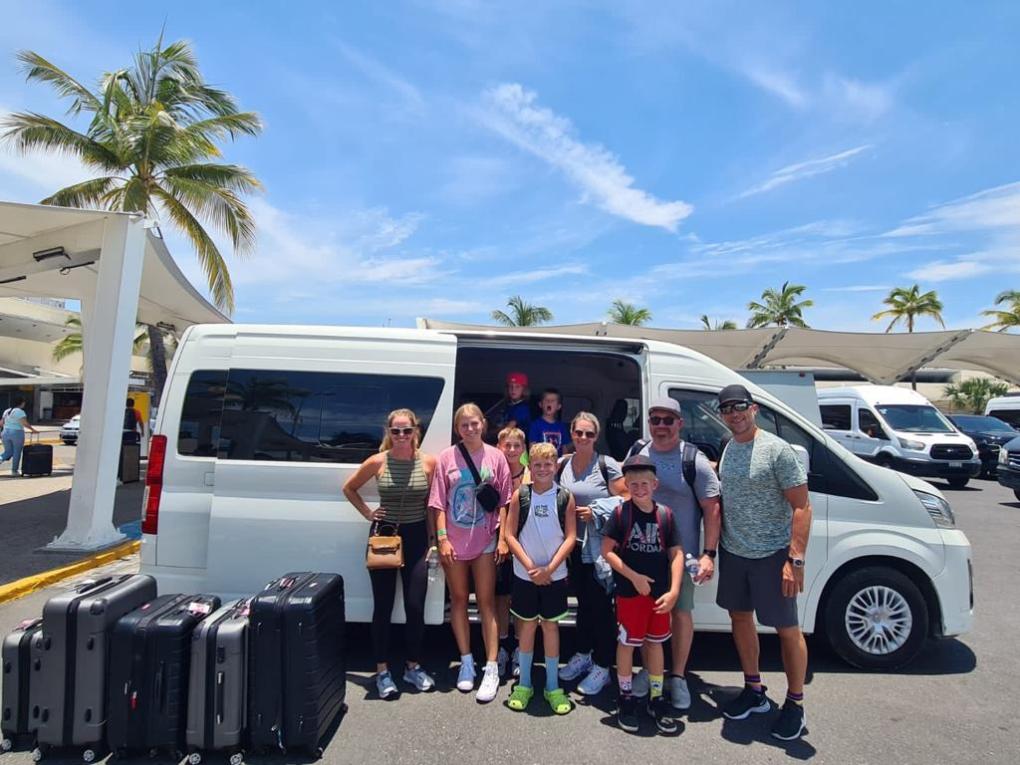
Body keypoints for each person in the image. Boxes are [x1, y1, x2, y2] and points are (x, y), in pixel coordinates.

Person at [715, 384, 812, 741]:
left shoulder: (776, 450)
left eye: (740, 406)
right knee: (740, 618)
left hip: (773, 556)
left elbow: (802, 507)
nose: (734, 414)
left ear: (753, 408)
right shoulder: (728, 447)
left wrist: (795, 559)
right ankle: (754, 689)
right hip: (734, 552)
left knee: (787, 629)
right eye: (727, 409)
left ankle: (795, 704)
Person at [626, 396, 721, 710]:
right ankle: (648, 670)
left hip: (681, 557)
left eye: (668, 420)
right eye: (656, 420)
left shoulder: (694, 460)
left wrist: (708, 554)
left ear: (680, 423)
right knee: (645, 613)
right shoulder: (639, 451)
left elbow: (712, 508)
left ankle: (678, 676)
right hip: (642, 553)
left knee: (680, 614)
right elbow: (623, 490)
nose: (661, 426)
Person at [343, 409, 438, 699]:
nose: (401, 436)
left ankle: (413, 666)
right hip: (384, 536)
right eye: (396, 431)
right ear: (388, 432)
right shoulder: (378, 461)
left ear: (415, 431)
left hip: (417, 537)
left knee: (415, 606)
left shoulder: (429, 463)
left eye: (406, 430)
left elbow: (433, 505)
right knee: (382, 606)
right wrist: (368, 513)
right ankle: (382, 671)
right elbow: (350, 488)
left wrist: (433, 540)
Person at [429, 403, 512, 703]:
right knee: (460, 600)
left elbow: (505, 501)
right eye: (464, 425)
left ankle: (491, 667)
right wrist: (442, 539)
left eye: (474, 423)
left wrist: (503, 538)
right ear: (457, 429)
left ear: (483, 424)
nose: (470, 429)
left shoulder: (496, 456)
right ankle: (466, 661)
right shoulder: (446, 458)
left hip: (485, 539)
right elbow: (438, 503)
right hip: (454, 540)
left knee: (487, 602)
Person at [602, 455, 683, 735]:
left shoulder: (666, 515)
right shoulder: (620, 514)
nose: (639, 489)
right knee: (627, 644)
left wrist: (674, 590)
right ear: (626, 485)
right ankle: (625, 697)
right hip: (629, 594)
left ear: (655, 484)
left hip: (659, 595)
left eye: (644, 484)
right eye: (633, 484)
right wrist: (633, 577)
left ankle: (656, 697)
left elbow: (676, 554)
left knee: (655, 644)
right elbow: (607, 551)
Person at [556, 412, 627, 696]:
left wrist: (596, 511)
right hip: (573, 547)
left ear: (596, 436)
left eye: (589, 433)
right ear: (571, 434)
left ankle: (603, 665)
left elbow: (627, 498)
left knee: (601, 608)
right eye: (578, 432)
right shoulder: (563, 464)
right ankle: (584, 654)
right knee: (584, 605)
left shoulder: (606, 465)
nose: (583, 437)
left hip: (598, 549)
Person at [503, 442, 577, 714]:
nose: (543, 469)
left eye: (548, 464)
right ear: (530, 467)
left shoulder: (565, 497)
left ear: (556, 466)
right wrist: (531, 567)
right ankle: (524, 683)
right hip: (525, 575)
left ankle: (552, 686)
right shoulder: (520, 495)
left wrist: (549, 569)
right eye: (537, 465)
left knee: (550, 627)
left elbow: (570, 537)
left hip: (555, 576)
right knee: (527, 626)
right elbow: (509, 535)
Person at [495, 426, 530, 677]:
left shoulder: (531, 474)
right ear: (499, 447)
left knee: (520, 597)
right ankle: (501, 647)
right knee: (500, 595)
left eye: (517, 445)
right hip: (500, 542)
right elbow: (500, 508)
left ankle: (519, 647)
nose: (512, 450)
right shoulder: (495, 474)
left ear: (524, 449)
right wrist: (502, 540)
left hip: (525, 544)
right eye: (507, 445)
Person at [528, 388, 572, 455]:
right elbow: (532, 447)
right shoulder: (535, 425)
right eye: (546, 400)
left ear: (558, 406)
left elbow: (564, 448)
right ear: (540, 404)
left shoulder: (562, 427)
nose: (549, 402)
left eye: (553, 401)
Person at [1, 398, 38, 476]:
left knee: (8, 452)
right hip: (16, 432)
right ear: (21, 403)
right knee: (16, 452)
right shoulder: (20, 412)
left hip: (5, 432)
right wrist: (32, 429)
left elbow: (1, 423)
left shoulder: (7, 411)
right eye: (24, 403)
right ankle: (14, 471)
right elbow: (24, 423)